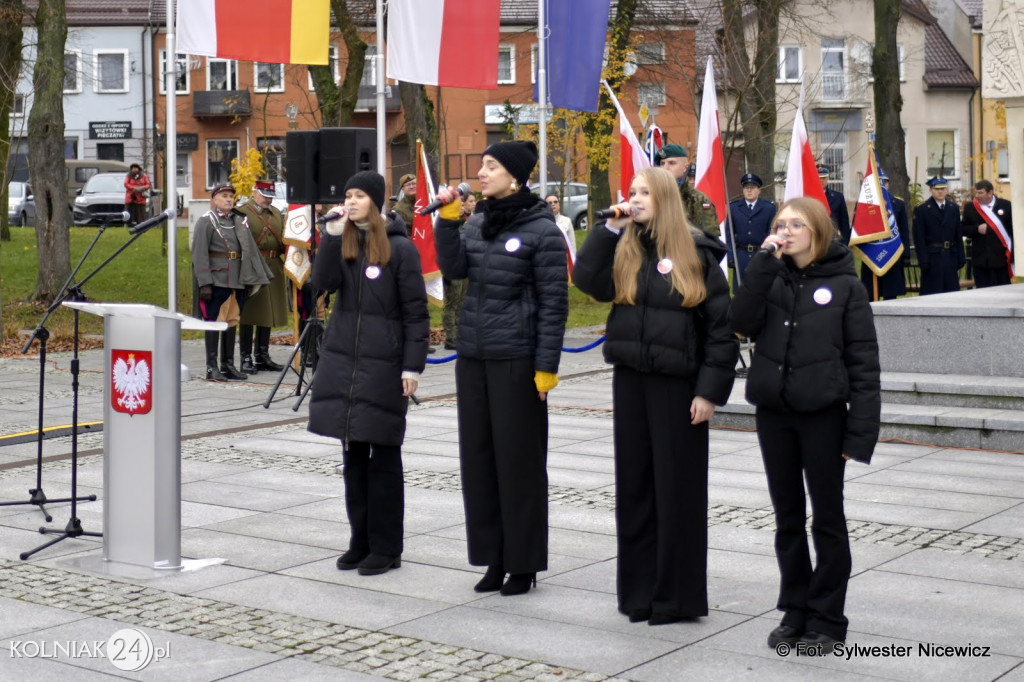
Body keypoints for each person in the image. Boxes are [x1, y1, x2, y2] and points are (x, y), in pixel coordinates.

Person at [573, 166, 738, 625]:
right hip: (631, 381)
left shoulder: (696, 251)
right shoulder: (624, 248)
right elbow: (587, 281)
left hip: (678, 387)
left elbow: (721, 331)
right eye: (631, 192)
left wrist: (709, 392)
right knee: (636, 489)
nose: (635, 198)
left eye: (644, 192)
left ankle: (676, 598)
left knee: (677, 491)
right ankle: (639, 594)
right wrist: (607, 229)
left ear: (664, 199)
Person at [729, 197, 881, 651]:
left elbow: (864, 363)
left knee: (827, 519)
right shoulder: (769, 276)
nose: (787, 230)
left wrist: (860, 433)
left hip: (824, 416)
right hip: (775, 415)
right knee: (787, 518)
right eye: (781, 224)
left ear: (817, 230)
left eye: (797, 224)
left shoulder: (844, 284)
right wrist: (761, 263)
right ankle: (795, 608)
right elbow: (739, 321)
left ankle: (828, 617)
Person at [434, 140, 568, 596]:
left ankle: (523, 563)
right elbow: (453, 270)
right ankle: (492, 557)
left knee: (519, 464)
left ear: (515, 175)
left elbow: (554, 304)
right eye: (482, 165)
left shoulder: (542, 229)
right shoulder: (476, 222)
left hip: (517, 359)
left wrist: (545, 367)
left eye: (490, 166)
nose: (481, 173)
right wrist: (447, 221)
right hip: (473, 357)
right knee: (480, 462)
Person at [308, 171, 429, 577]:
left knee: (384, 458)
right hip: (344, 364)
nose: (352, 200)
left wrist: (412, 365)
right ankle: (359, 540)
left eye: (359, 195)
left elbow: (416, 313)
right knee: (353, 457)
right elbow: (321, 285)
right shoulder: (343, 242)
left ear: (376, 202)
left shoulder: (400, 248)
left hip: (385, 367)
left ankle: (386, 546)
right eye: (348, 194)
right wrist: (329, 236)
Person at [191, 183, 272, 381]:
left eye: (231, 196)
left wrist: (251, 277)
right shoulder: (206, 221)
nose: (229, 199)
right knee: (214, 323)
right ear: (215, 199)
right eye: (224, 196)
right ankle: (212, 367)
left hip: (237, 278)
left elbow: (249, 250)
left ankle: (228, 364)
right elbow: (199, 254)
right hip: (216, 279)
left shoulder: (238, 220)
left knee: (231, 322)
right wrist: (205, 283)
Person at [236, 180, 288, 374]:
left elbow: (282, 238)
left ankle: (262, 356)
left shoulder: (275, 213)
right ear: (255, 192)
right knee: (250, 313)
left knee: (269, 312)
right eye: (265, 194)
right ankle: (245, 357)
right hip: (253, 265)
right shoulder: (243, 212)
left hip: (273, 265)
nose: (268, 198)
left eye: (270, 195)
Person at [858, 170, 908, 300]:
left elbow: (904, 230)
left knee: (890, 293)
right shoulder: (865, 205)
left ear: (888, 184)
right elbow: (858, 229)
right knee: (871, 294)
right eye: (879, 182)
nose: (883, 184)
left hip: (892, 252)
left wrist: (906, 255)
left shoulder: (898, 204)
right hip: (872, 253)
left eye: (885, 182)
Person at [912, 177, 965, 295]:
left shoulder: (953, 208)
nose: (940, 192)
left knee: (951, 293)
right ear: (931, 190)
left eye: (943, 188)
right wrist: (923, 259)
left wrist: (961, 256)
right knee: (932, 293)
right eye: (937, 189)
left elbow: (958, 234)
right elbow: (919, 237)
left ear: (946, 190)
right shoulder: (922, 209)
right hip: (932, 258)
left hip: (950, 256)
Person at [654, 144, 720, 238]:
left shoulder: (697, 199)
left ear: (686, 167)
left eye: (672, 163)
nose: (666, 168)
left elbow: (711, 240)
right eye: (662, 163)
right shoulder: (652, 196)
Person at [726, 173, 776, 292]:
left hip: (761, 254)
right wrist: (731, 255)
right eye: (746, 187)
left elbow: (772, 233)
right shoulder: (734, 208)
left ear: (759, 190)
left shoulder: (769, 208)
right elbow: (729, 234)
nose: (749, 191)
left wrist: (770, 253)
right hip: (741, 256)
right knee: (740, 291)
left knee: (762, 290)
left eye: (752, 187)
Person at [961, 179, 1014, 288]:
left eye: (980, 193)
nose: (977, 195)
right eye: (976, 192)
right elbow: (962, 229)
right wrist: (976, 229)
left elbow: (1012, 232)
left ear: (990, 193)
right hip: (981, 262)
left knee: (1003, 294)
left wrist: (1012, 258)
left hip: (1001, 262)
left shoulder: (1006, 206)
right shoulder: (970, 208)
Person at [442, 192, 475, 350]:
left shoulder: (466, 223)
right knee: (452, 302)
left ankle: (460, 333)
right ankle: (451, 336)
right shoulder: (449, 224)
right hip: (452, 267)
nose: (462, 208)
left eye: (463, 205)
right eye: (460, 205)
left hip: (465, 266)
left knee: (462, 301)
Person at [817, 166, 851, 244]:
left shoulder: (838, 197)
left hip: (833, 239)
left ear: (827, 179)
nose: (821, 180)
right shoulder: (809, 198)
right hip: (816, 238)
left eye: (824, 178)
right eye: (819, 178)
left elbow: (844, 221)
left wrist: (845, 242)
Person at [545, 193, 577, 264]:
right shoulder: (542, 221)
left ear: (559, 204)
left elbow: (572, 244)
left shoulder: (567, 221)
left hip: (563, 258)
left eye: (555, 202)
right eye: (550, 203)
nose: (553, 204)